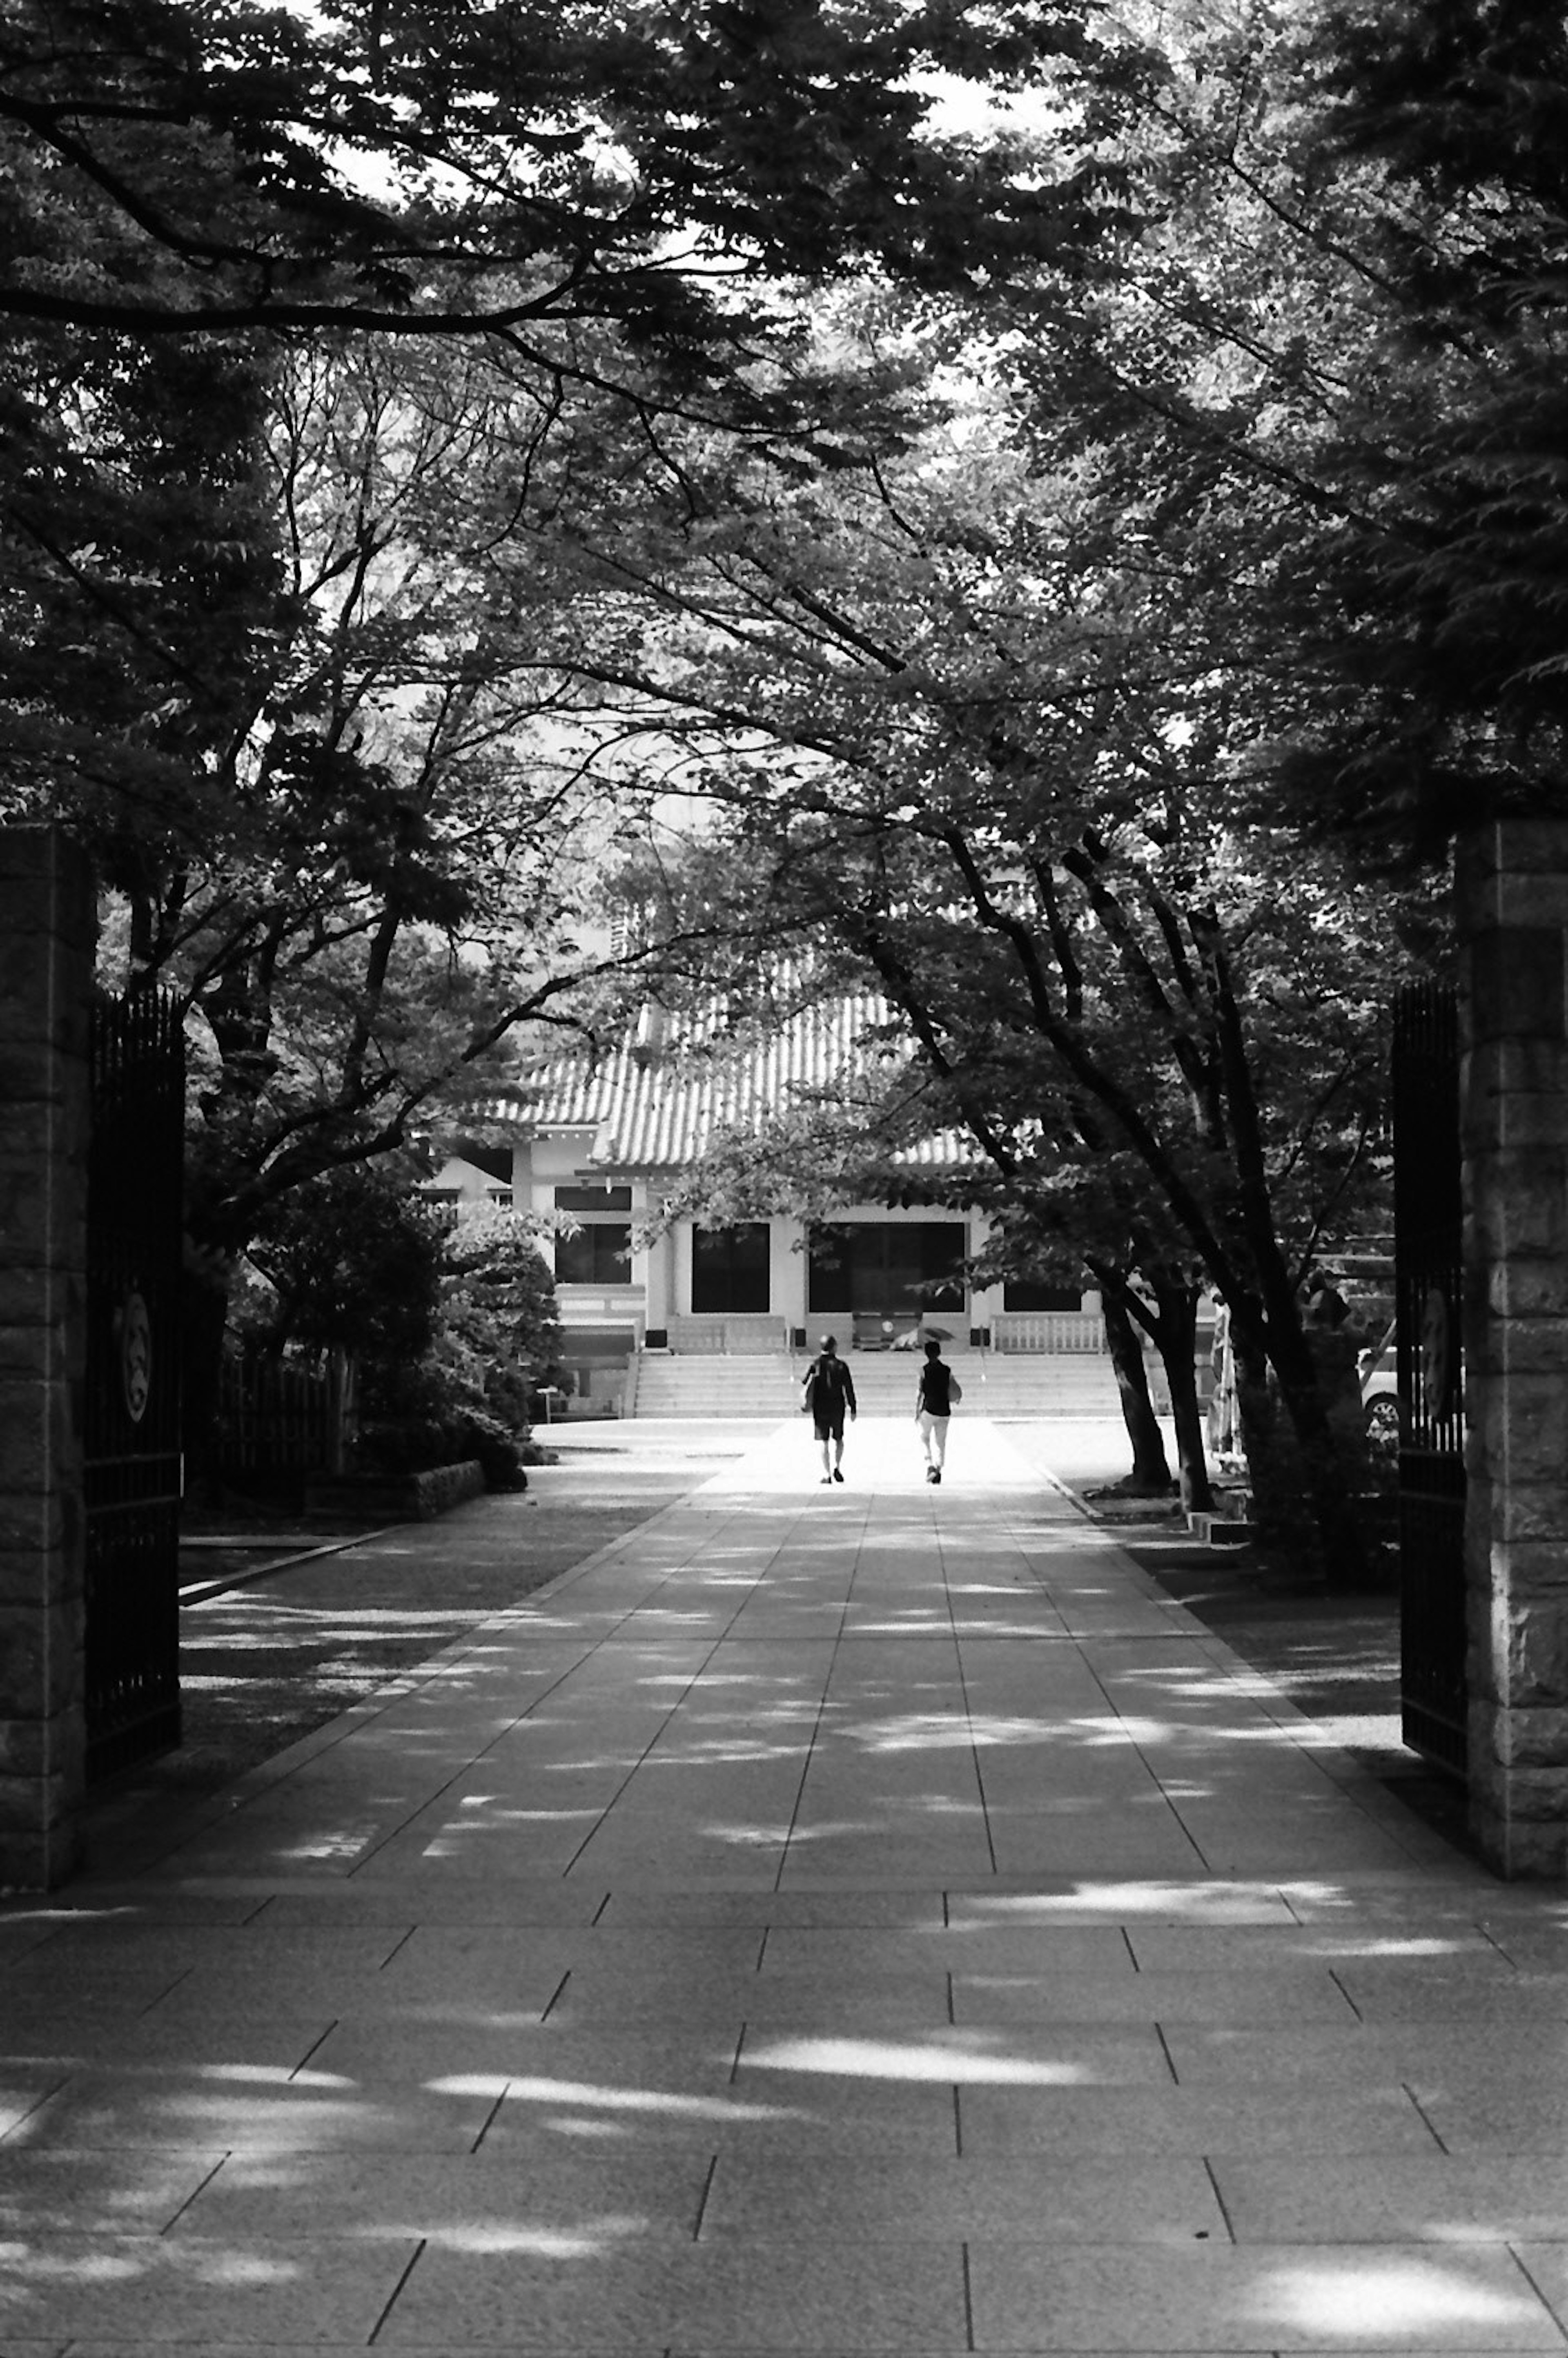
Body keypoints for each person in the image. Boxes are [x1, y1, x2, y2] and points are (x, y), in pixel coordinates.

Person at [801, 1333, 857, 1483]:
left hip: (820, 1407)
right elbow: (849, 1388)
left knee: (823, 1441)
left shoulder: (815, 1364)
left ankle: (827, 1474)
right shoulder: (841, 1365)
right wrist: (853, 1407)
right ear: (834, 1347)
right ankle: (838, 1467)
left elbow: (804, 1380)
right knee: (839, 1438)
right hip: (838, 1406)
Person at [915, 1336, 961, 1483]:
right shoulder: (947, 1370)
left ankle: (930, 1465)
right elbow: (953, 1387)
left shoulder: (923, 1370)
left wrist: (917, 1411)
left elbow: (920, 1392)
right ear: (939, 1353)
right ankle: (938, 1468)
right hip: (944, 1410)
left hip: (929, 1409)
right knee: (941, 1442)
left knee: (924, 1437)